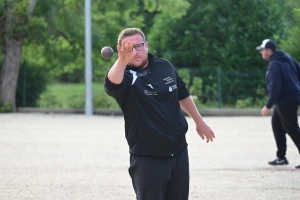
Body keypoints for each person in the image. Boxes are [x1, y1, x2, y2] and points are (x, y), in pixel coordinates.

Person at [104, 27, 215, 200]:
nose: (135, 51)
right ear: (122, 52)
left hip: (179, 152)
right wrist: (121, 61)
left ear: (146, 45)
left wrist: (199, 121)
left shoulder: (164, 66)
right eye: (128, 49)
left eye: (138, 46)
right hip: (148, 158)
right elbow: (112, 84)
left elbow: (182, 93)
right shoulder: (125, 76)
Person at [257, 39, 300, 169]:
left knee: (292, 129)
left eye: (262, 50)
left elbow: (276, 87)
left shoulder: (274, 64)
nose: (261, 53)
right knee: (277, 125)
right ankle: (281, 157)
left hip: (286, 100)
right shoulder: (288, 58)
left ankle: (282, 156)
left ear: (269, 50)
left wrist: (267, 106)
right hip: (289, 98)